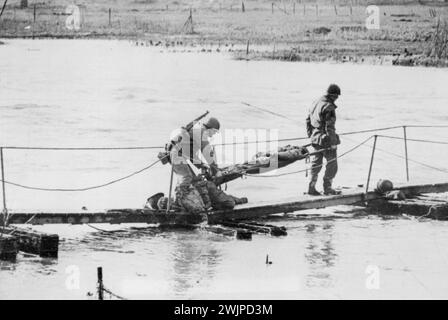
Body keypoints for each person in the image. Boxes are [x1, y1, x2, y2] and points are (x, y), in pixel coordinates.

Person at [168, 117, 245, 213]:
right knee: (186, 178)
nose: (213, 135)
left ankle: (185, 201)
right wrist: (216, 170)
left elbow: (190, 152)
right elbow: (207, 152)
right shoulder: (202, 132)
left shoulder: (197, 130)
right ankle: (177, 204)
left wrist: (201, 165)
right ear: (211, 129)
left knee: (192, 179)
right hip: (177, 154)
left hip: (177, 153)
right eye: (215, 132)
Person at [306, 84, 342, 196]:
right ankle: (328, 188)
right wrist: (332, 143)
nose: (337, 99)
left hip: (315, 138)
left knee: (316, 163)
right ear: (333, 95)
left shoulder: (315, 102)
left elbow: (307, 120)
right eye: (336, 97)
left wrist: (311, 135)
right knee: (332, 164)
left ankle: (311, 187)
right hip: (325, 140)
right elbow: (329, 127)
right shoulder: (329, 106)